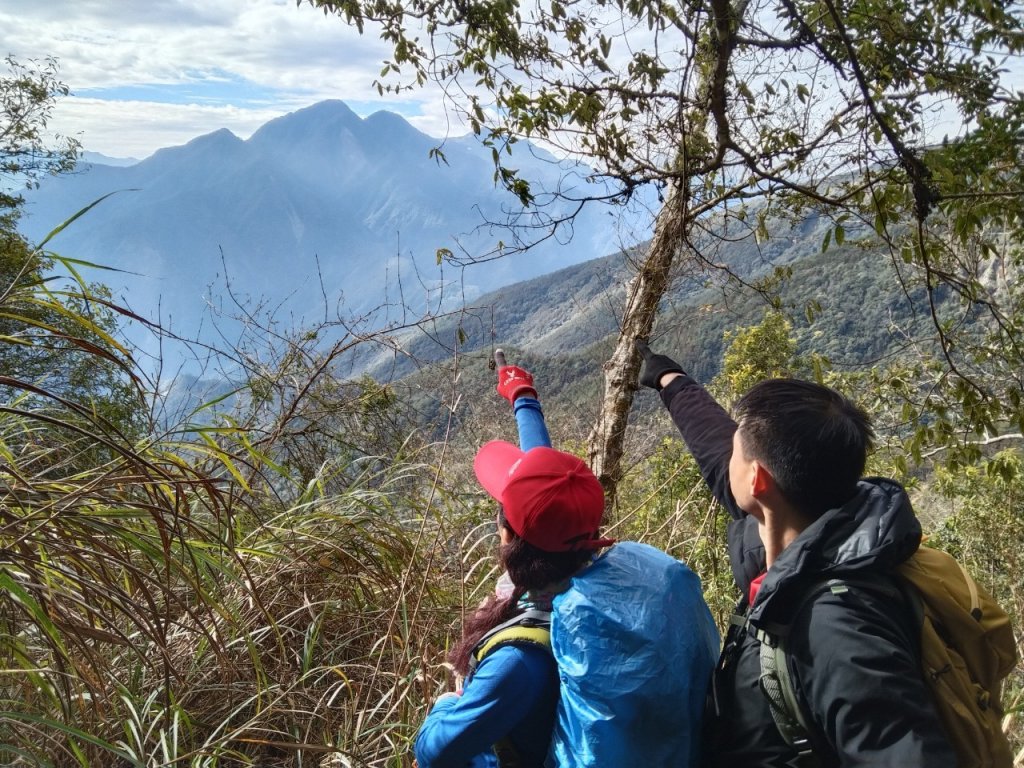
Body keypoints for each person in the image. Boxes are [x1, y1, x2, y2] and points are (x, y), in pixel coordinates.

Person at [636, 340, 955, 767]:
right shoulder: (799, 525)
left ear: (757, 481)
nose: (729, 454)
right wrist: (671, 381)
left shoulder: (836, 631)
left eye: (739, 448)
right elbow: (717, 450)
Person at [415, 360, 718, 767]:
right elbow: (545, 478)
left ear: (509, 537)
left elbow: (436, 751)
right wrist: (522, 396)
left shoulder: (518, 659)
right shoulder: (610, 579)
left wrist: (445, 705)